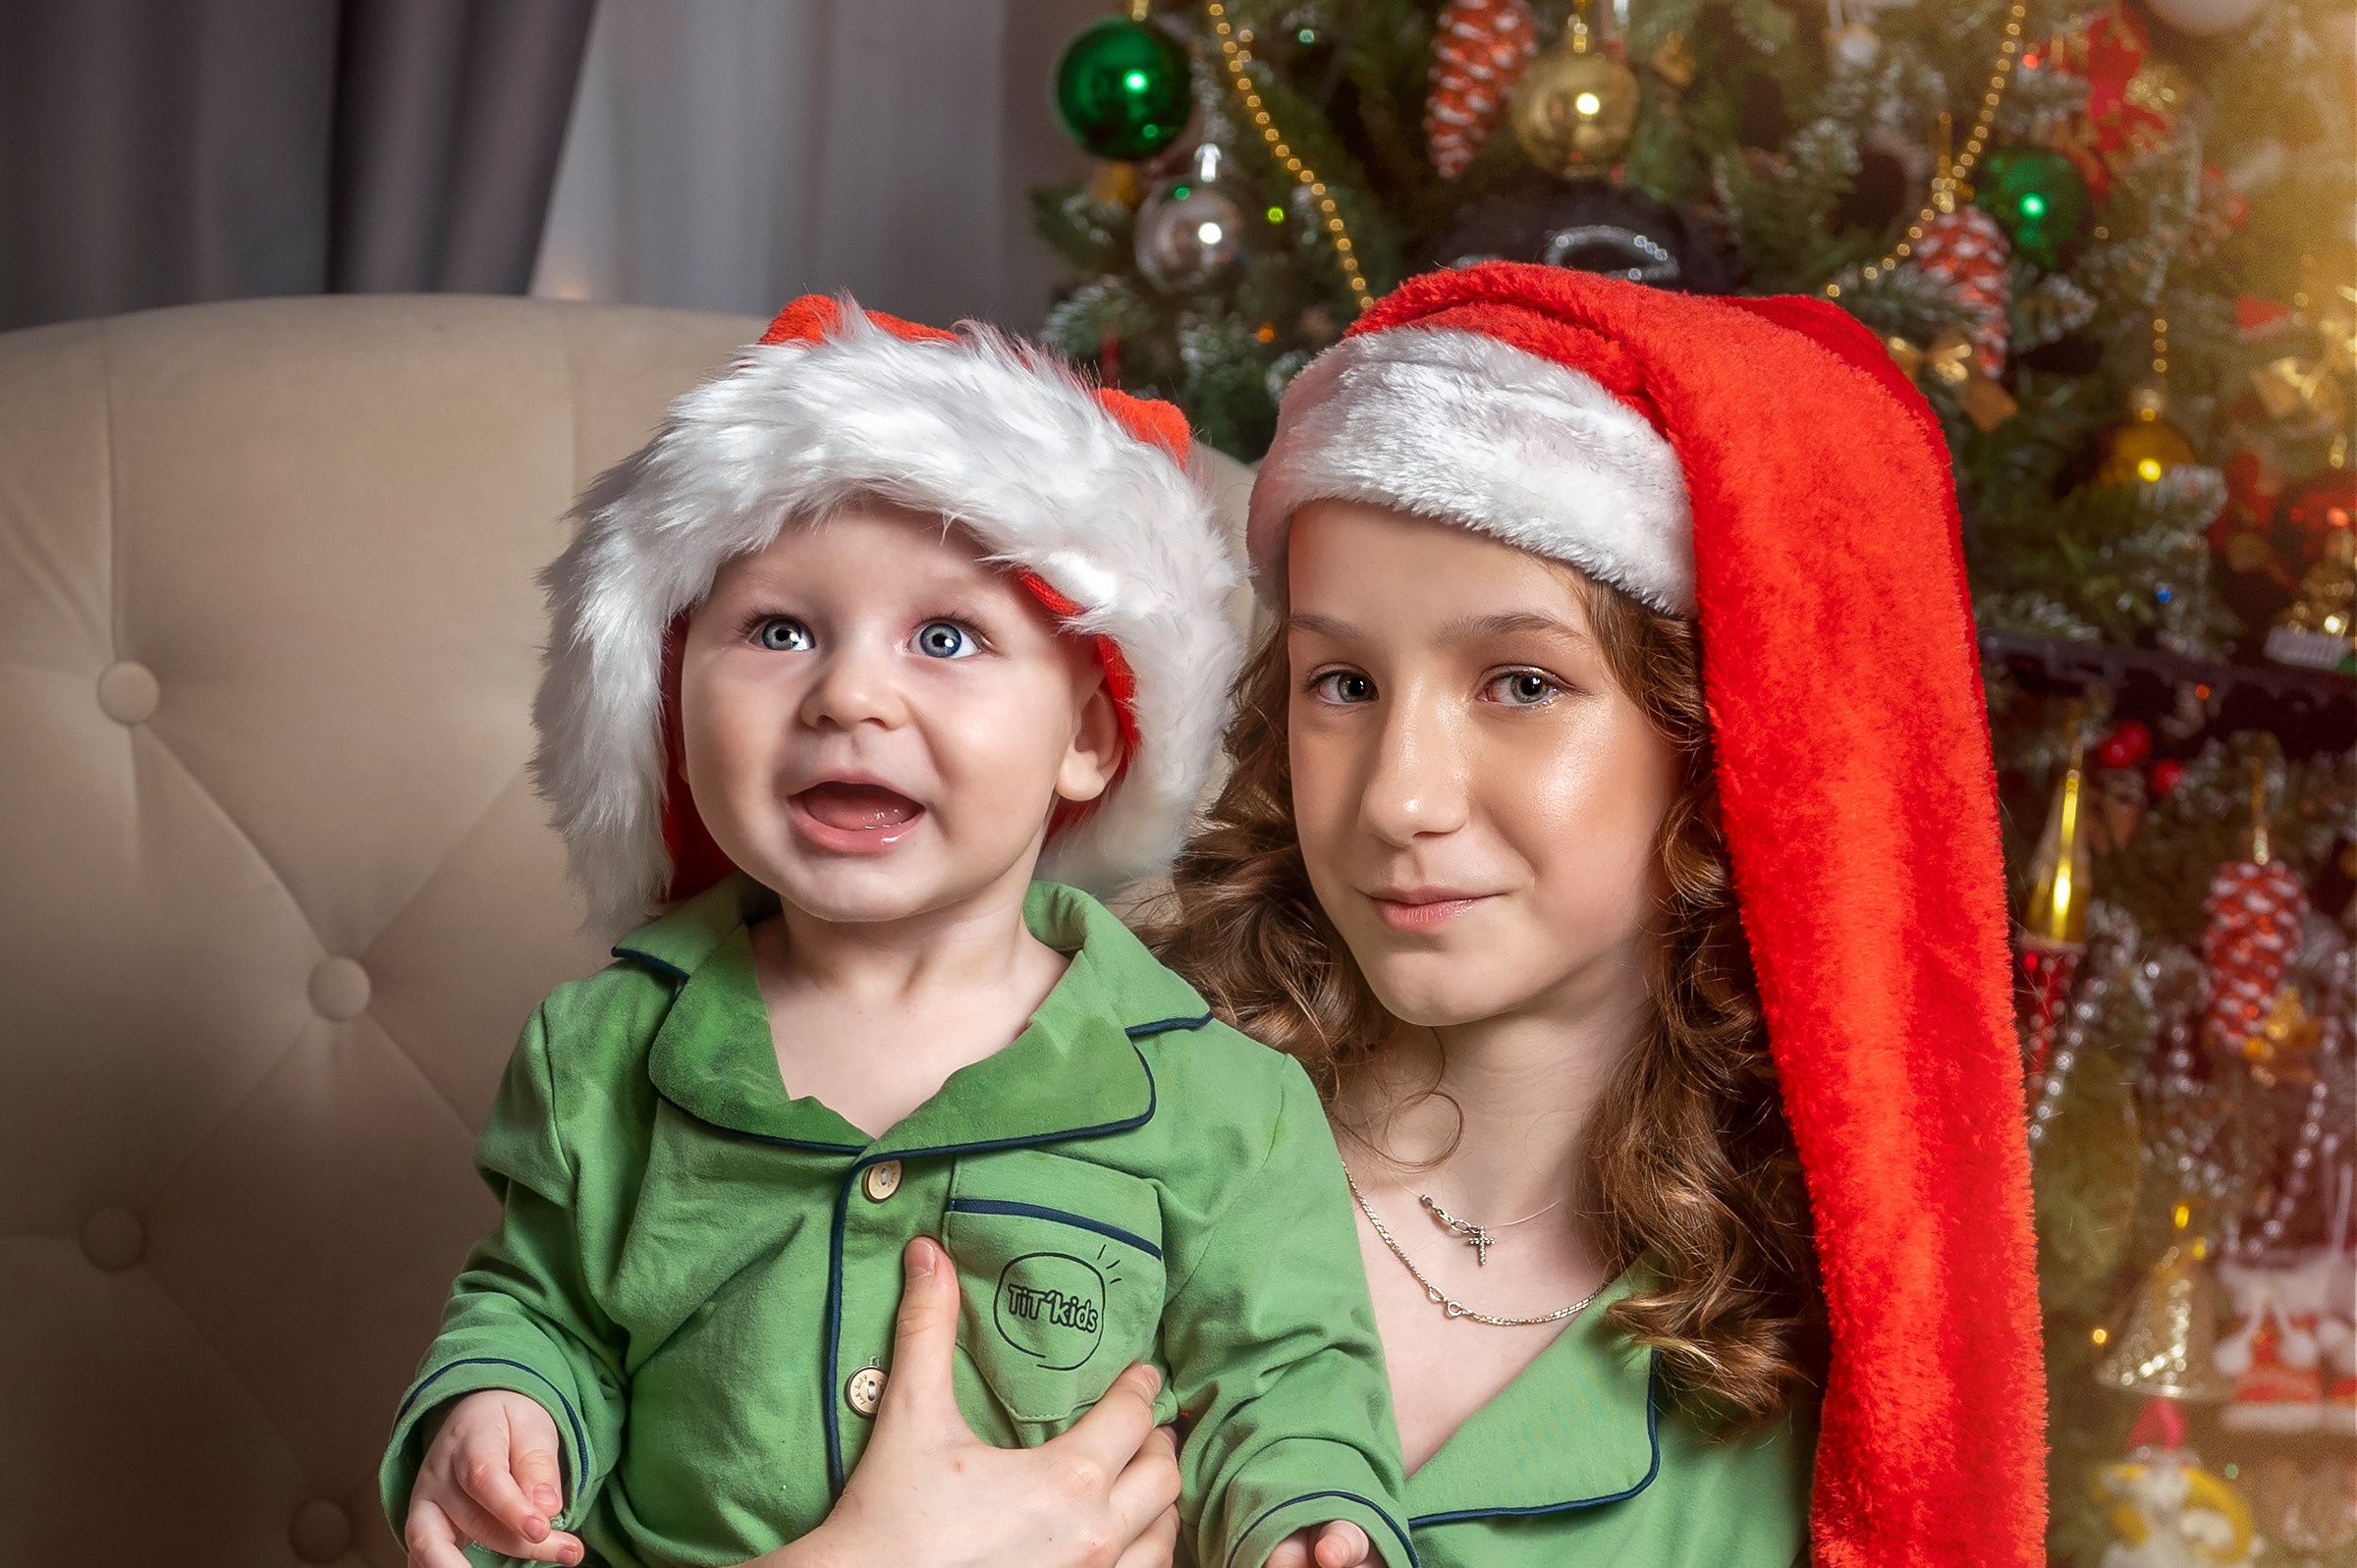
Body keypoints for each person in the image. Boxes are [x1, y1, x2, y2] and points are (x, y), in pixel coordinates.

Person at [378, 298, 1413, 1568]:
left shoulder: (1217, 1096)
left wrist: (1313, 1515)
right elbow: (544, 1305)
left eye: (945, 636)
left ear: (1090, 735)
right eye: (779, 629)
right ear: (671, 689)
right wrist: (503, 1404)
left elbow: (1289, 1367)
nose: (850, 694)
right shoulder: (604, 1049)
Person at [1148, 261, 2050, 1566]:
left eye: (1519, 681)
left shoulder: (1826, 1369)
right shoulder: (1113, 1119)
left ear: (1719, 735)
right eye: (1340, 681)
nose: (1399, 795)